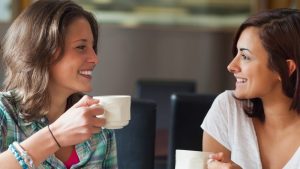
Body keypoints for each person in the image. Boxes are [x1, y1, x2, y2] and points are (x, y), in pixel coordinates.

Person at [0, 0, 117, 168]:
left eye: (93, 47)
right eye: (81, 47)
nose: (95, 59)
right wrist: (55, 135)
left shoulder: (98, 124)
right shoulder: (4, 113)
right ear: (43, 51)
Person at [201, 8, 300, 169]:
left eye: (245, 57)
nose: (231, 66)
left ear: (286, 68)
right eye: (236, 54)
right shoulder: (227, 109)